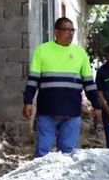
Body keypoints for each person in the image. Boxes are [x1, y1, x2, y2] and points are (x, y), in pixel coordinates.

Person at [23, 17, 101, 157]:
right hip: (47, 111)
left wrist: (96, 105)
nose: (70, 33)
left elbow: (89, 83)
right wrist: (28, 101)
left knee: (68, 154)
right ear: (56, 32)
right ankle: (43, 179)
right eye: (66, 30)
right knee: (43, 153)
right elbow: (33, 79)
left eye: (72, 31)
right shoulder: (42, 50)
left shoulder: (80, 53)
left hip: (72, 112)